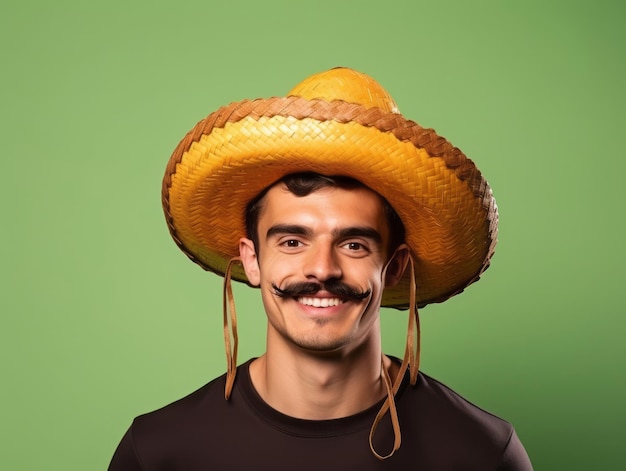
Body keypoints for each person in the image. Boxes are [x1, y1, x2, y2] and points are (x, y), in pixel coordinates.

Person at [109, 67, 533, 469]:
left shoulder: (480, 453)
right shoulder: (159, 453)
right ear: (252, 259)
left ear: (395, 266)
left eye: (353, 244)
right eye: (292, 242)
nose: (322, 269)